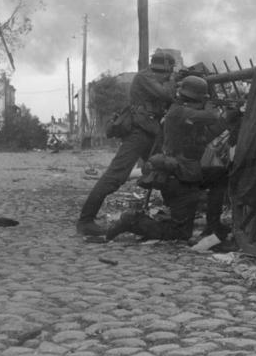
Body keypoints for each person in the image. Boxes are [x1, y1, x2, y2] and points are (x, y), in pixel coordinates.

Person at [106, 75, 233, 242]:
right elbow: (212, 117)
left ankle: (213, 226)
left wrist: (230, 118)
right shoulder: (178, 112)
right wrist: (213, 109)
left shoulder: (186, 116)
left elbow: (206, 137)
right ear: (195, 99)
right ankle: (132, 221)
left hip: (188, 174)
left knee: (221, 176)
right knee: (179, 234)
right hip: (177, 179)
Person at [75, 51, 177, 236]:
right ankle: (86, 221)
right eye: (167, 71)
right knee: (115, 177)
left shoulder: (156, 78)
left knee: (164, 171)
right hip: (138, 132)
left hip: (152, 132)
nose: (167, 75)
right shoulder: (145, 77)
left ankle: (175, 216)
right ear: (164, 68)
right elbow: (166, 95)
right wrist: (174, 82)